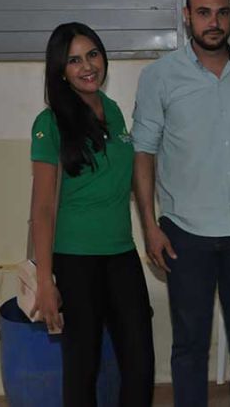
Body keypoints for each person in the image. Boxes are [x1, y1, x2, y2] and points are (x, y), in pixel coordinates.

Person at [132, 0, 230, 406]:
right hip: (185, 234)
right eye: (204, 12)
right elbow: (143, 154)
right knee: (190, 345)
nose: (214, 22)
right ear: (186, 16)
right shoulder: (159, 76)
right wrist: (150, 227)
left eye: (223, 12)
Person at [29, 22, 155, 406]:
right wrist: (45, 280)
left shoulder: (112, 111)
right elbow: (43, 207)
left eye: (93, 54)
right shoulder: (49, 123)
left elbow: (130, 174)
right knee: (82, 368)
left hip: (121, 254)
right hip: (74, 260)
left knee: (140, 364)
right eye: (74, 60)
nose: (87, 66)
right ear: (60, 70)